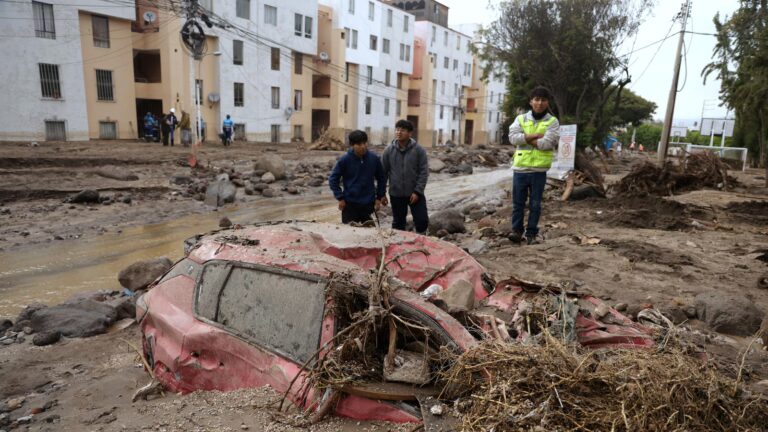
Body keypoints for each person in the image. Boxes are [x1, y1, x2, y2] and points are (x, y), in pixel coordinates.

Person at [508, 86, 560, 245]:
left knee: (535, 204)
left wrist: (525, 137)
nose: (539, 103)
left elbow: (546, 143)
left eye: (543, 100)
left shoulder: (552, 121)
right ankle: (516, 231)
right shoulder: (521, 119)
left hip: (539, 170)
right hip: (520, 168)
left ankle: (531, 233)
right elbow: (512, 138)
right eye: (536, 99)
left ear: (547, 102)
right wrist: (533, 136)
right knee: (518, 204)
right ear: (531, 101)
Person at [328, 130, 387, 224]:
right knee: (350, 234)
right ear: (352, 145)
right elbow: (333, 179)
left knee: (372, 234)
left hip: (369, 204)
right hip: (350, 205)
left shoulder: (374, 159)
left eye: (364, 143)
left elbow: (381, 178)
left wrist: (379, 197)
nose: (363, 146)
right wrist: (340, 198)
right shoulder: (345, 160)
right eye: (359, 144)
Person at [382, 119, 429, 234]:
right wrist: (381, 193)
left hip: (415, 193)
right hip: (396, 193)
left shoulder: (419, 150)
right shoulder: (388, 151)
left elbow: (424, 172)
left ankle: (422, 243)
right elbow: (383, 173)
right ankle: (398, 246)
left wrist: (417, 191)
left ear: (410, 133)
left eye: (402, 130)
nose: (398, 132)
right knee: (398, 223)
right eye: (397, 130)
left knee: (422, 221)